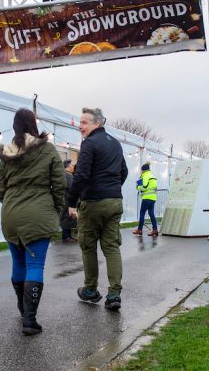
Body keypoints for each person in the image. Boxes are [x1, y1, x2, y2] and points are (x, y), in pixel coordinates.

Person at [0, 108, 67, 335]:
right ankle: (30, 319)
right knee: (35, 266)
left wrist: (9, 202)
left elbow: (0, 186)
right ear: (34, 124)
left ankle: (22, 309)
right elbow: (59, 184)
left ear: (15, 127)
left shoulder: (7, 152)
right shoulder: (47, 150)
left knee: (18, 265)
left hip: (11, 214)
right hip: (39, 213)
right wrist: (57, 209)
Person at [66, 107, 128, 311]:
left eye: (84, 122)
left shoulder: (89, 144)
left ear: (97, 123)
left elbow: (81, 175)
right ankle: (114, 294)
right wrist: (113, 187)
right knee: (111, 247)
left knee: (88, 246)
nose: (80, 126)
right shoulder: (115, 143)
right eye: (80, 122)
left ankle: (91, 289)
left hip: (93, 202)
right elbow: (124, 171)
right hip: (114, 201)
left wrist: (71, 201)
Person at [132, 162, 158, 236]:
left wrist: (138, 187)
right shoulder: (152, 176)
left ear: (143, 170)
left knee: (142, 213)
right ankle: (155, 230)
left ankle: (139, 230)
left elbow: (144, 187)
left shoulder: (145, 176)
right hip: (153, 198)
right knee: (151, 214)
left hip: (146, 198)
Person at [60, 160, 78, 243]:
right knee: (67, 217)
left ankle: (68, 236)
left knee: (68, 217)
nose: (73, 166)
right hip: (67, 199)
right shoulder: (67, 175)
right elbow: (71, 187)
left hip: (66, 199)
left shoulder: (66, 174)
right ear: (68, 166)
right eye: (72, 165)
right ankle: (66, 236)